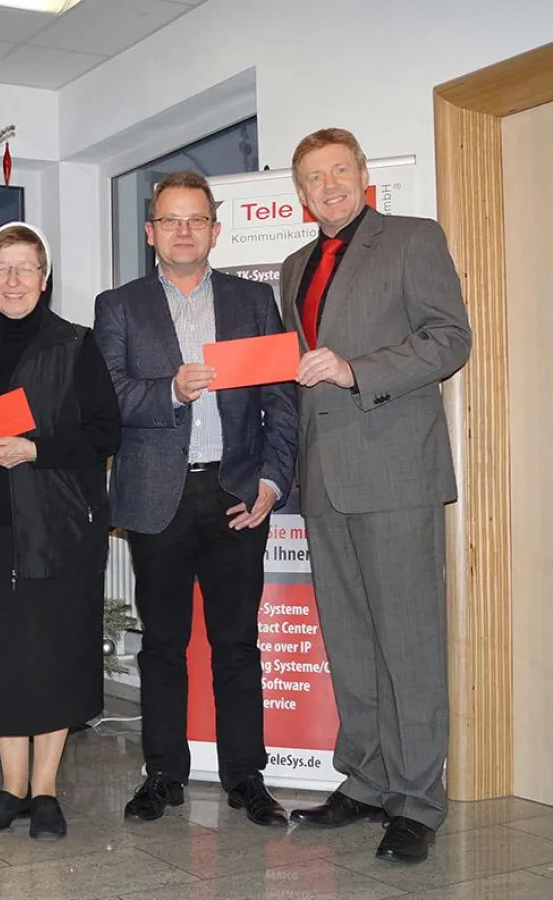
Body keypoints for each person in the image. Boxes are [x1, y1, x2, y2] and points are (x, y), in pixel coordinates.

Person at [282, 129, 471, 863]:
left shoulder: (412, 239)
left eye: (338, 171)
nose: (326, 186)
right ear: (299, 196)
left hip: (395, 473)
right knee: (353, 645)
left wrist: (356, 369)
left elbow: (451, 339)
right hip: (325, 479)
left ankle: (418, 801)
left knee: (411, 644)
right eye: (311, 178)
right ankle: (363, 781)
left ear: (363, 176)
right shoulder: (296, 265)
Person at [93, 171, 298, 828]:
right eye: (170, 220)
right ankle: (163, 774)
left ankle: (247, 776)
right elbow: (108, 397)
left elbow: (281, 402)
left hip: (238, 492)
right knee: (163, 645)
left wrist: (272, 482)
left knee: (237, 643)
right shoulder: (118, 306)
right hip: (159, 497)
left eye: (195, 219)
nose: (183, 230)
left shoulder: (253, 303)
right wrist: (170, 390)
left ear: (215, 229)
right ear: (151, 232)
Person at [0, 221, 121, 841]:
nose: (13, 280)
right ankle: (10, 788)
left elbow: (105, 433)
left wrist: (36, 449)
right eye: (1, 268)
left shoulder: (76, 344)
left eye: (25, 268)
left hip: (56, 531)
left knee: (54, 659)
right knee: (0, 661)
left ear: (45, 277)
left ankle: (46, 792)